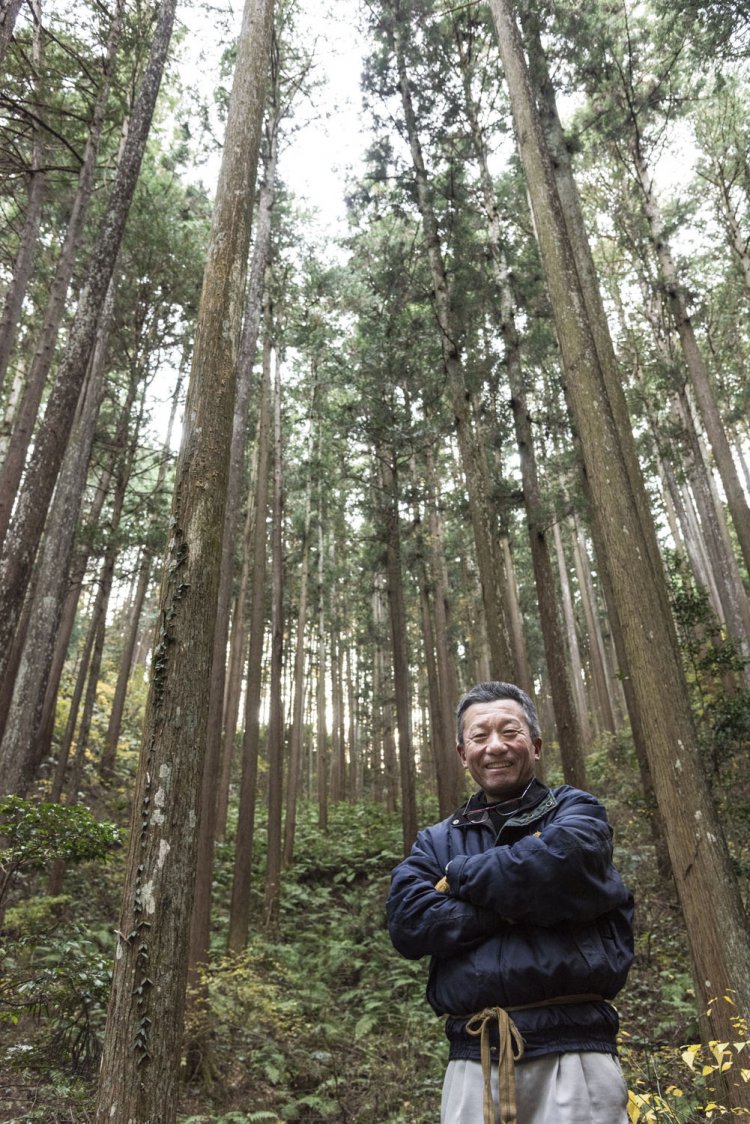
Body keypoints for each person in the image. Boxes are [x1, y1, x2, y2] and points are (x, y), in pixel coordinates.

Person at [387, 681, 634, 1124]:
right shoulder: (436, 840)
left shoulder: (576, 811)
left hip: (575, 1051)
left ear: (535, 745)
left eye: (510, 732)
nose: (495, 746)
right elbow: (409, 921)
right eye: (479, 737)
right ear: (464, 754)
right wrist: (516, 903)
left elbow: (563, 862)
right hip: (473, 1057)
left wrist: (460, 875)